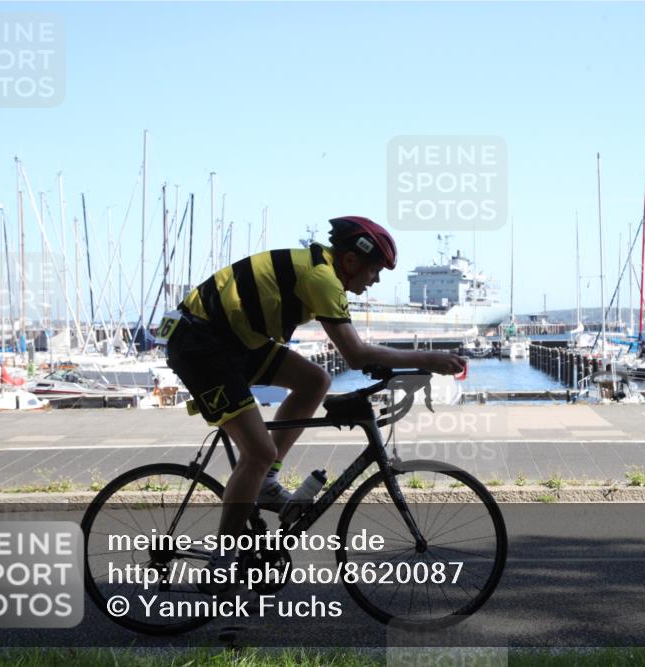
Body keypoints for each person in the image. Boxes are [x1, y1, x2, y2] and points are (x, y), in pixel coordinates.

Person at [161, 216, 466, 587]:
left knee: (315, 380)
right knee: (256, 452)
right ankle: (222, 561)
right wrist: (428, 360)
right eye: (374, 270)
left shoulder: (322, 270)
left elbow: (355, 358)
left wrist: (389, 366)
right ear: (351, 261)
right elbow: (354, 354)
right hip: (201, 345)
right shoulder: (322, 279)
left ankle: (266, 482)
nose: (376, 280)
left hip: (235, 342)